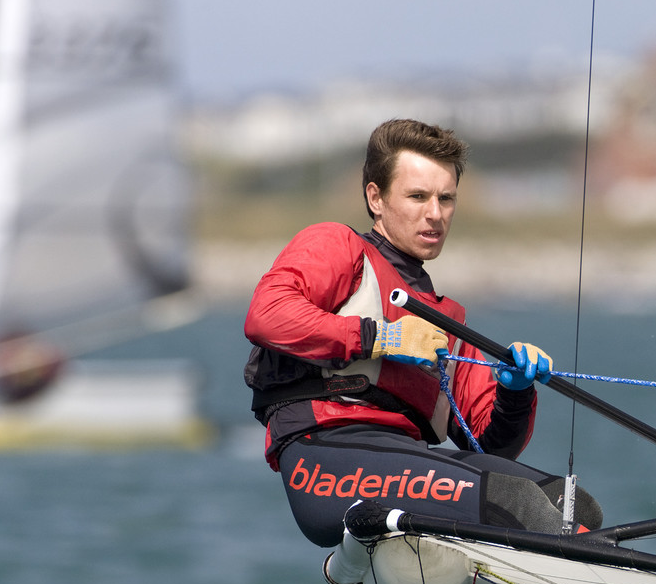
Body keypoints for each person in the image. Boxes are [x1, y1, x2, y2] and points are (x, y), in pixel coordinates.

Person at [244, 118, 599, 547]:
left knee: (572, 505)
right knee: (514, 503)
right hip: (324, 458)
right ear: (375, 197)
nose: (435, 214)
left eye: (446, 199)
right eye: (417, 196)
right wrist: (382, 339)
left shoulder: (444, 321)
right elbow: (267, 314)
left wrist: (516, 391)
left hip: (403, 462)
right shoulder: (337, 246)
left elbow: (489, 447)